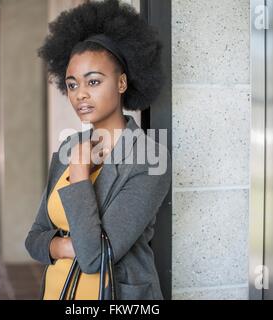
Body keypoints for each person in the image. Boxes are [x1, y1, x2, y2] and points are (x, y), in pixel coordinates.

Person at [25, 0, 171, 300]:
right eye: (72, 84)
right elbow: (34, 238)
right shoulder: (69, 147)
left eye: (93, 81)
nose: (80, 95)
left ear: (121, 83)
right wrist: (65, 246)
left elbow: (93, 259)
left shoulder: (149, 160)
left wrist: (79, 173)